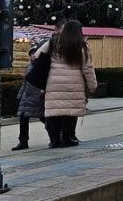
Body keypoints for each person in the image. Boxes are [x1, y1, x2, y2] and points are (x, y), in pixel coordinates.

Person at [38, 20, 98, 148]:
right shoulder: (81, 46)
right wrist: (92, 86)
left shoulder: (53, 43)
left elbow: (37, 56)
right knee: (70, 113)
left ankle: (54, 140)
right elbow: (88, 68)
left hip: (53, 83)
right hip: (74, 85)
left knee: (54, 112)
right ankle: (67, 138)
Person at [12, 43, 46, 151]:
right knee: (23, 118)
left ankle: (57, 135)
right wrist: (19, 96)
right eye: (31, 54)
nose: (33, 55)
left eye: (34, 53)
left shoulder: (42, 66)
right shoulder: (29, 66)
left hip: (38, 97)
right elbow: (24, 83)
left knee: (43, 118)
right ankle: (23, 141)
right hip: (27, 97)